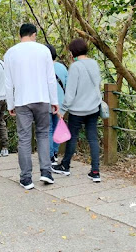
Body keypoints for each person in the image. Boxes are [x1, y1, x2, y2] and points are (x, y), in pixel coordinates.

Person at [4, 23, 58, 190]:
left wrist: (10, 104)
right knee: (43, 135)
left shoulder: (10, 53)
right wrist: (54, 100)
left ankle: (26, 178)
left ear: (20, 35)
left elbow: (8, 83)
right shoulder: (44, 50)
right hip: (42, 99)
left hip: (22, 101)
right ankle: (46, 172)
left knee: (24, 138)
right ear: (34, 34)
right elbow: (50, 78)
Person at [52, 38, 102, 182]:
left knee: (72, 137)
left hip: (77, 110)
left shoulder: (75, 67)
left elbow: (71, 92)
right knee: (92, 138)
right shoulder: (94, 64)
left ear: (72, 52)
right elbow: (97, 84)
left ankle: (65, 166)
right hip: (93, 108)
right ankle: (95, 171)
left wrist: (63, 109)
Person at [46, 44, 67, 166]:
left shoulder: (43, 69)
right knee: (56, 128)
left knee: (48, 129)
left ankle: (49, 156)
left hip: (47, 103)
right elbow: (68, 85)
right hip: (60, 104)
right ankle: (54, 153)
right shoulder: (62, 68)